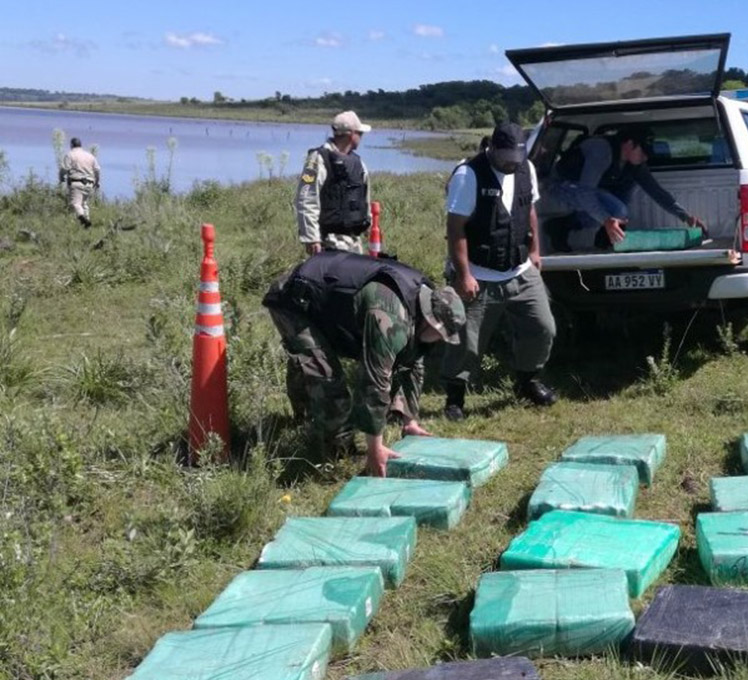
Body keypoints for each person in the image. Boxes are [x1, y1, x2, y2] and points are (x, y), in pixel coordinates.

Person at [263, 250, 464, 475]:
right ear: (430, 321)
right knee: (328, 381)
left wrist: (410, 421)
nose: (441, 342)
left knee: (314, 363)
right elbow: (375, 381)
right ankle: (336, 453)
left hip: (327, 303)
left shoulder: (421, 300)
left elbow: (412, 363)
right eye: (441, 334)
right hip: (296, 301)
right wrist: (375, 448)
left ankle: (304, 417)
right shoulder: (390, 317)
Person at [441, 121, 558, 421]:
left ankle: (526, 382)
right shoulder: (468, 176)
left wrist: (534, 250)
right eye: (506, 158)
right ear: (492, 148)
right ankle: (455, 399)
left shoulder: (525, 169)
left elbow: (528, 209)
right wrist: (463, 274)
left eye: (516, 159)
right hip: (480, 273)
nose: (511, 164)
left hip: (520, 270)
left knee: (543, 328)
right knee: (466, 340)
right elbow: (456, 229)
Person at [539, 126, 706, 251]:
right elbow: (585, 192)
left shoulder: (635, 163)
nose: (646, 157)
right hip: (560, 186)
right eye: (643, 151)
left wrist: (685, 216)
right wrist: (606, 220)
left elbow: (656, 191)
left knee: (628, 187)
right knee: (618, 209)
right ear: (629, 143)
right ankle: (560, 227)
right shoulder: (601, 150)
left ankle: (605, 237)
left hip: (585, 190)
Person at [295, 110, 373, 254]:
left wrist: (370, 227)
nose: (361, 137)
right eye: (360, 133)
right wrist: (312, 238)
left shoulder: (358, 163)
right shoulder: (318, 159)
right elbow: (307, 199)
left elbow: (364, 197)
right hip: (328, 240)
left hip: (354, 240)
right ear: (351, 134)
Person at [59, 137, 100, 228]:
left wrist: (61, 178)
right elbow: (97, 170)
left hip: (76, 182)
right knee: (84, 204)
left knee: (75, 204)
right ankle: (87, 225)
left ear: (71, 145)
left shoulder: (70, 155)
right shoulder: (90, 156)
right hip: (89, 183)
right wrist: (97, 182)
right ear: (81, 145)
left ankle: (83, 219)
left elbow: (64, 169)